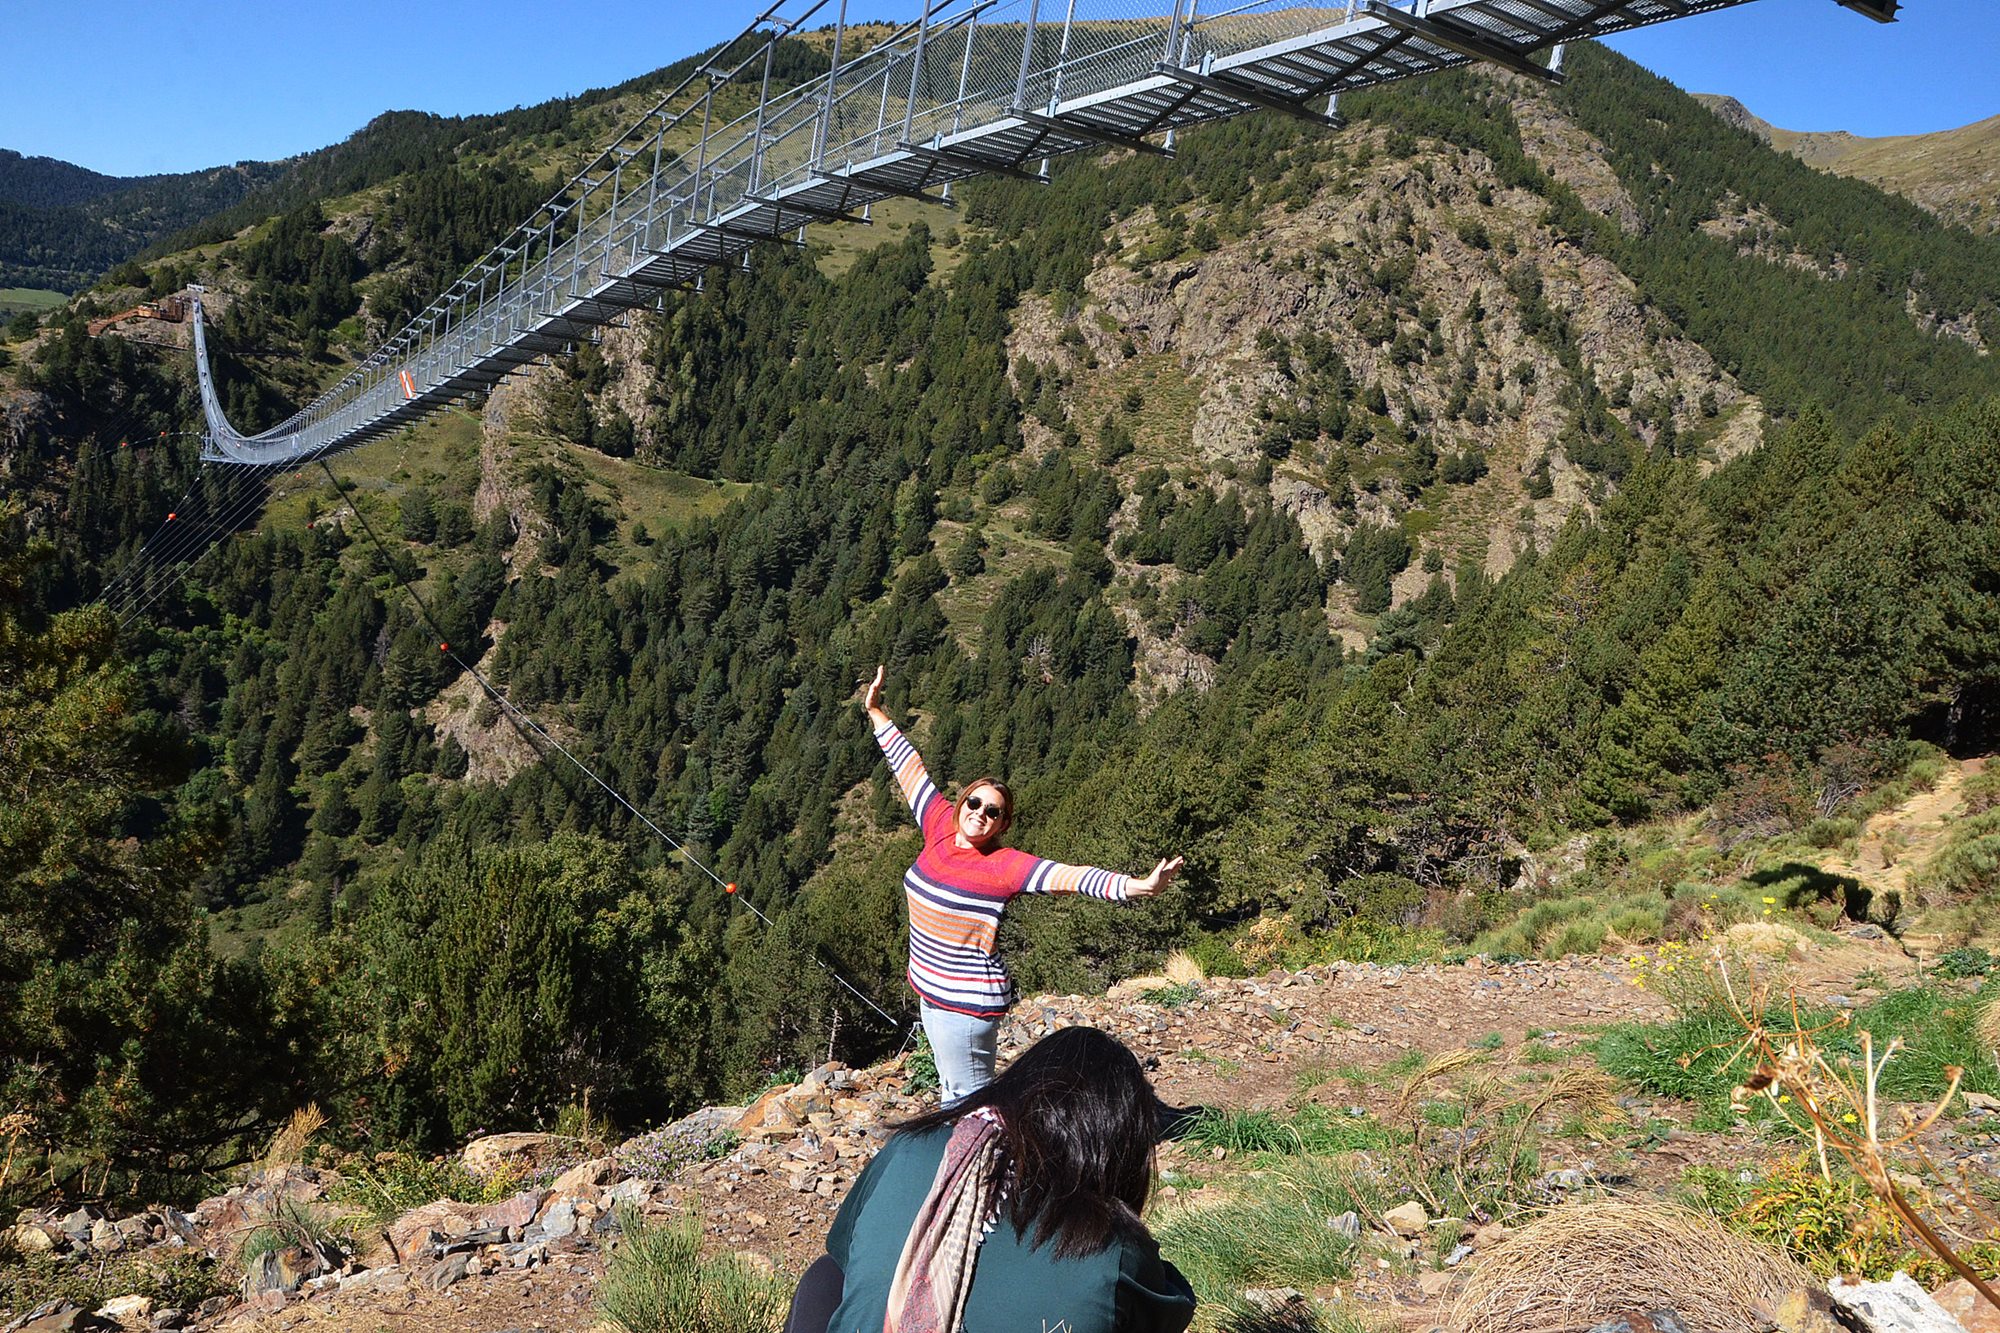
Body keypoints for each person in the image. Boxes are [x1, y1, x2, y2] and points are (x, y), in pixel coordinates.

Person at [862, 665, 1183, 1105]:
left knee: (968, 1101)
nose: (979, 813)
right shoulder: (937, 823)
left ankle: (989, 1169)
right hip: (930, 992)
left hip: (966, 1003)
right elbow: (909, 767)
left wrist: (1138, 887)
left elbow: (1073, 877)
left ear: (1002, 823)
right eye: (974, 802)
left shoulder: (1005, 865)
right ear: (961, 803)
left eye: (992, 811)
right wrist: (877, 712)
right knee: (953, 1090)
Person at [785, 1026, 1196, 1333]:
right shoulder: (1113, 1243)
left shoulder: (910, 1147)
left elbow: (839, 1254)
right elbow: (1173, 1311)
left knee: (826, 1276)